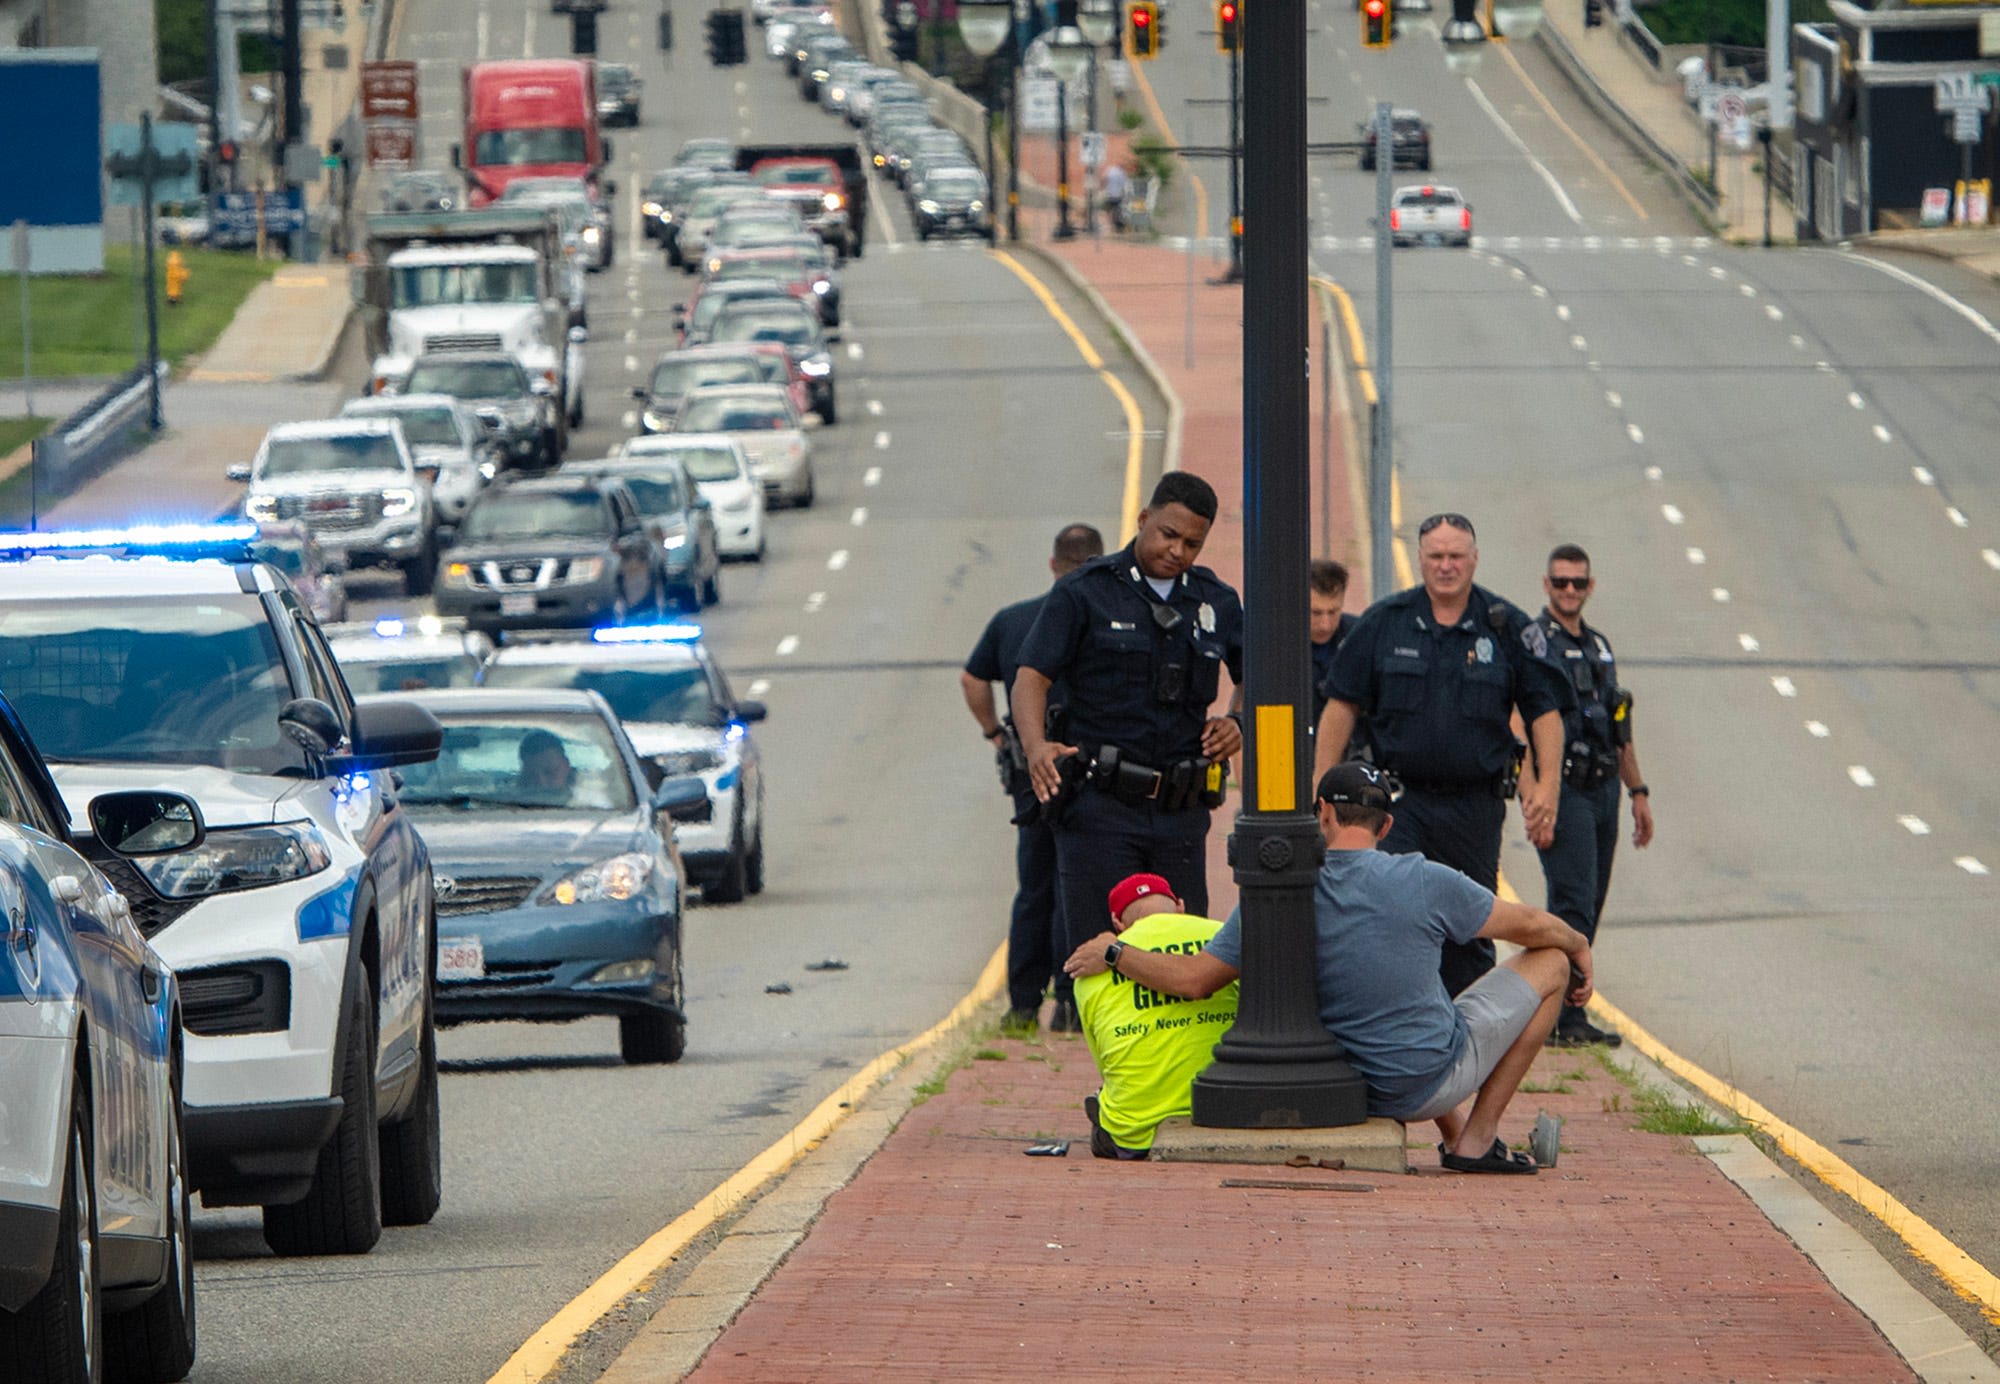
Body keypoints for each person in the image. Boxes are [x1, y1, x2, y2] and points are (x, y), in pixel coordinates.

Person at [1065, 762, 1593, 1174]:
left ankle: (1457, 1135)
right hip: (1426, 1077)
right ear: (1386, 824)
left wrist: (1115, 952)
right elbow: (1529, 925)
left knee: (1401, 998)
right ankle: (1476, 1141)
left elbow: (1194, 980)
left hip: (1346, 1082)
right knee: (1548, 965)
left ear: (1320, 813)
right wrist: (1576, 944)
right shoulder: (1425, 879)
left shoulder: (1282, 892)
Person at [1012, 472, 1245, 1033]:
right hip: (1100, 807)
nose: (1177, 551)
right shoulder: (1085, 592)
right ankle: (1112, 1089)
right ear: (1143, 520)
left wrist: (1239, 721)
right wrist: (1036, 746)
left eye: (1192, 543)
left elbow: (1258, 673)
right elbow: (1030, 677)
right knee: (1096, 958)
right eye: (1168, 535)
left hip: (1179, 809)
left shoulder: (1214, 600)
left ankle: (1177, 1085)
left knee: (1186, 949)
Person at [1313, 513, 1572, 996]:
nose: (1446, 566)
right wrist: (1320, 788)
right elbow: (1341, 706)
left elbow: (1545, 712)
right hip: (1397, 806)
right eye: (1436, 556)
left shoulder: (1506, 626)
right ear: (1420, 560)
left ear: (1474, 559)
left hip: (1473, 809)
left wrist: (1548, 787)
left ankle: (1467, 1051)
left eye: (1456, 556)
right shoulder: (1384, 624)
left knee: (1470, 928)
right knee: (1387, 915)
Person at [960, 523, 1108, 1033]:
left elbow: (973, 677)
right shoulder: (1102, 619)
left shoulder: (1014, 620)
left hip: (1032, 772)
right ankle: (1071, 1001)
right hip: (1089, 772)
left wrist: (994, 735)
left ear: (1053, 565)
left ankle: (1023, 1004)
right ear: (1099, 563)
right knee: (1080, 885)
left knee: (1034, 885)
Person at [1532, 544, 1654, 1048]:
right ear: (1546, 585)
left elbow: (1619, 725)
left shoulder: (1600, 646)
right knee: (1572, 904)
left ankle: (1571, 1014)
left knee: (1591, 904)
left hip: (1604, 787)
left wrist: (1638, 792)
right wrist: (1536, 794)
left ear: (1590, 586)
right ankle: (1554, 1017)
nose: (1568, 591)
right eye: (1560, 582)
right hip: (1565, 790)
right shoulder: (1536, 643)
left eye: (1577, 583)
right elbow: (1523, 720)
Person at [1074, 873, 1239, 1159]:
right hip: (1226, 1110)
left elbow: (1106, 1064)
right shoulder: (1224, 937)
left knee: (1108, 1107)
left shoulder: (1091, 970)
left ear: (1118, 923)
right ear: (1180, 907)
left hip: (1136, 1131)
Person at [1309, 558, 1359, 728]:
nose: (1325, 624)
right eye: (1316, 613)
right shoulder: (1279, 645)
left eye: (1333, 612)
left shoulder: (1360, 637)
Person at [516, 729, 576, 805]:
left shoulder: (589, 796)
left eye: (550, 772)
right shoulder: (510, 798)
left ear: (566, 765)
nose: (541, 783)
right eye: (531, 775)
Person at [1102, 160, 1131, 231]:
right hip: (1118, 195)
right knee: (1117, 210)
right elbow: (1126, 185)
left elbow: (1104, 178)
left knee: (1109, 210)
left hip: (1109, 194)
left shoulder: (1110, 170)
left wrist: (1103, 186)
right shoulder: (1123, 173)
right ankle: (1116, 224)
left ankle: (1111, 224)